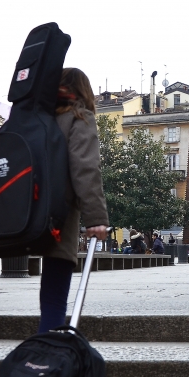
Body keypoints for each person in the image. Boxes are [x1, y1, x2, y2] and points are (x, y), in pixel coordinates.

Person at [36, 68, 109, 331]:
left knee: (49, 295)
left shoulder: (40, 118)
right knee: (56, 297)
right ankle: (47, 358)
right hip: (60, 213)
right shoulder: (80, 118)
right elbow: (86, 169)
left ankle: (43, 348)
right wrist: (96, 218)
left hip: (32, 208)